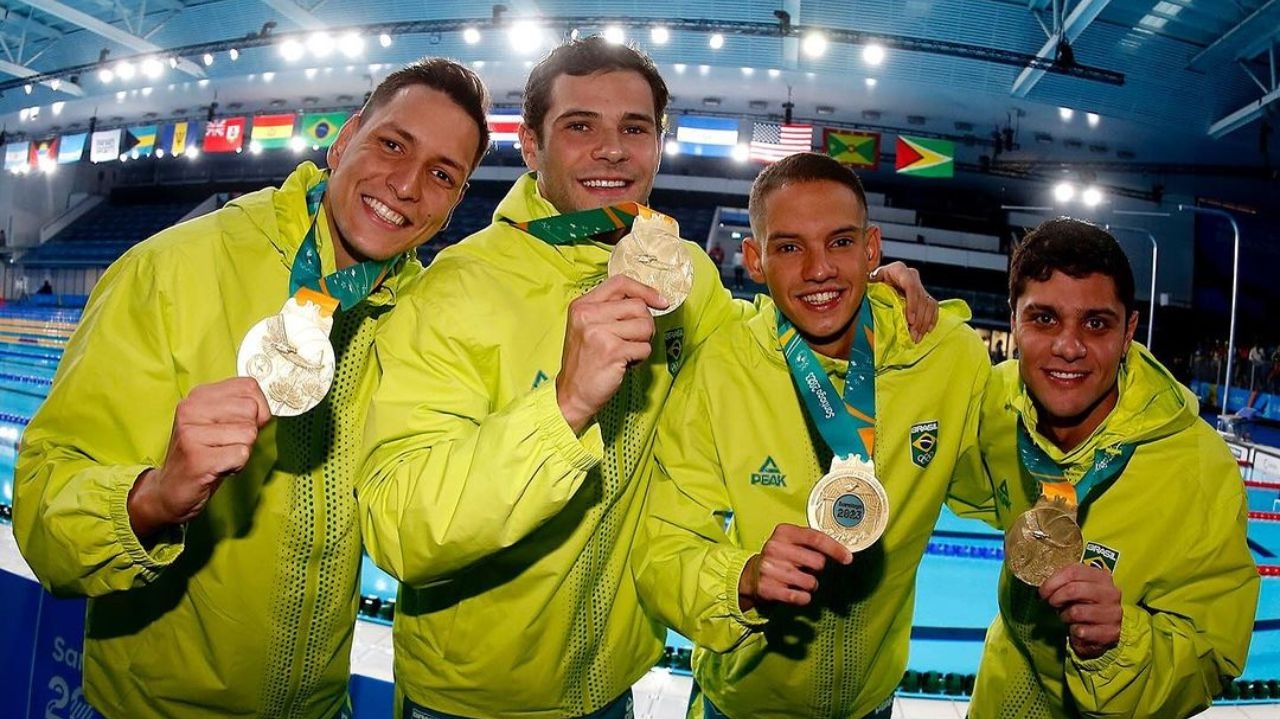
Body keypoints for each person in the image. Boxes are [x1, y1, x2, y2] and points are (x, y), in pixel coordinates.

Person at [355, 38, 936, 719]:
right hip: (471, 703)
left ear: (658, 145)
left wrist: (857, 297)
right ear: (533, 147)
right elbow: (396, 527)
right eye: (580, 127)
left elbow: (771, 358)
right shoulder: (455, 289)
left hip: (613, 687)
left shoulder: (689, 275)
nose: (613, 150)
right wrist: (564, 405)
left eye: (635, 128)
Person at [13, 58, 491, 719]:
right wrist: (153, 496)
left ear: (456, 201)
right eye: (391, 144)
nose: (408, 185)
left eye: (443, 174)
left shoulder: (424, 319)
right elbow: (41, 511)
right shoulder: (171, 270)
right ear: (344, 138)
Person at [631, 152, 992, 719]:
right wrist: (741, 580)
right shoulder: (722, 368)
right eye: (790, 247)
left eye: (841, 242)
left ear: (872, 250)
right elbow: (663, 546)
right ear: (754, 259)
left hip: (871, 705)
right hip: (741, 707)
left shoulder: (947, 357)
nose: (819, 269)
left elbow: (1008, 476)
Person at [958, 218, 1258, 719]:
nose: (1069, 347)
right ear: (1013, 320)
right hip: (998, 698)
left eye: (1095, 323)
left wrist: (1119, 641)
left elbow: (1212, 656)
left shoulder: (1198, 468)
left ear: (1128, 333)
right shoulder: (996, 403)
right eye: (1044, 319)